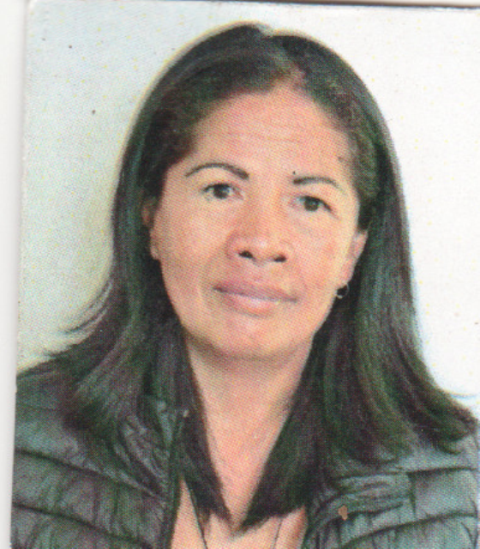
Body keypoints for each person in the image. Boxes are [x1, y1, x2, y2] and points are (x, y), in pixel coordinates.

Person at [11, 23, 478, 549]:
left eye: (310, 202)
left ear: (353, 250)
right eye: (220, 189)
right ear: (151, 216)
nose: (260, 241)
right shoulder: (23, 442)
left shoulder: (457, 485)